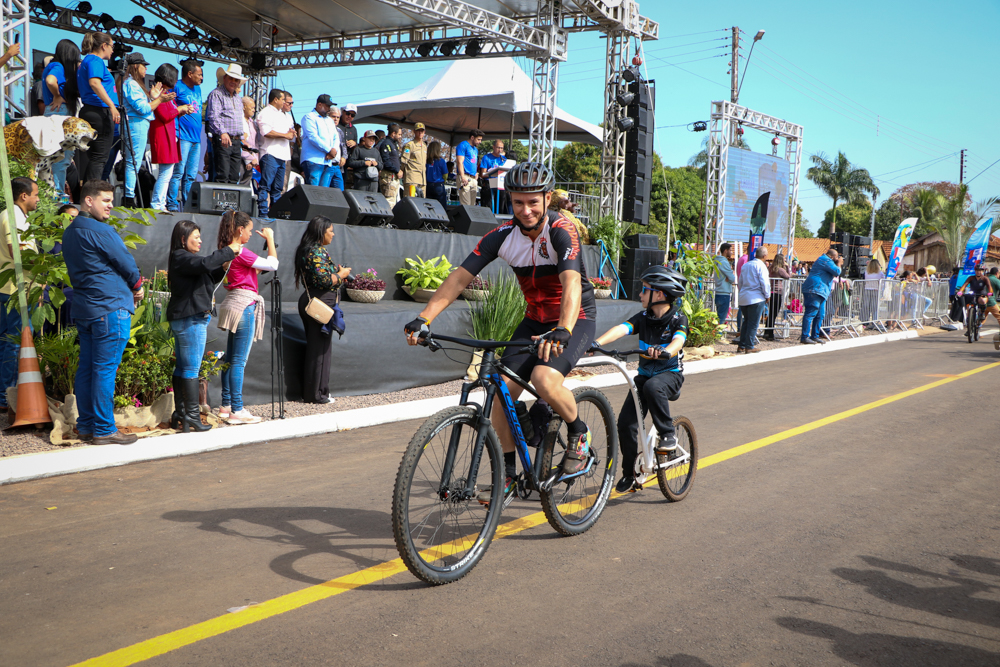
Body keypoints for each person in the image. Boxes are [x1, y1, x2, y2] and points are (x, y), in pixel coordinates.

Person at [404, 161, 598, 505]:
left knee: (544, 379)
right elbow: (459, 277)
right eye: (518, 202)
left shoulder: (561, 231)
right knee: (498, 392)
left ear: (547, 198)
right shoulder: (501, 236)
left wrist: (564, 329)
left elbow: (571, 285)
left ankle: (579, 433)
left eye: (533, 202)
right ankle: (509, 477)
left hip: (574, 319)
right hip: (535, 320)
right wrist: (424, 318)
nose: (525, 210)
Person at [593, 266, 689, 492]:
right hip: (645, 378)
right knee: (626, 424)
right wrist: (597, 344)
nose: (640, 294)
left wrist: (667, 351)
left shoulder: (678, 318)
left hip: (669, 377)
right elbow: (622, 329)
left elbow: (679, 341)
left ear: (659, 294)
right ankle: (629, 474)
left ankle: (668, 434)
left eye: (644, 290)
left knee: (654, 386)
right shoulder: (643, 318)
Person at [62, 181, 143, 446]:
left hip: (85, 309)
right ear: (88, 200)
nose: (110, 205)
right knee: (104, 370)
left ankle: (86, 426)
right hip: (110, 307)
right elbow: (126, 263)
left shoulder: (71, 232)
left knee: (87, 368)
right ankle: (105, 429)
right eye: (105, 200)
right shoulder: (100, 229)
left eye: (111, 200)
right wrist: (137, 286)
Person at [166, 220, 241, 432]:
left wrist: (224, 266)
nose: (200, 241)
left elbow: (206, 273)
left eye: (200, 237)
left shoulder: (185, 260)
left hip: (188, 317)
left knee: (183, 367)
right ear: (183, 239)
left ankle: (181, 413)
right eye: (195, 237)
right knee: (191, 368)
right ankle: (191, 417)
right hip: (191, 318)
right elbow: (205, 264)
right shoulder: (181, 256)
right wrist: (228, 251)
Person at [215, 211, 278, 424]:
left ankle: (225, 406)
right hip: (244, 306)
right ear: (240, 230)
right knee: (238, 362)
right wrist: (270, 239)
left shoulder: (226, 252)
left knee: (230, 360)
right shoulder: (241, 251)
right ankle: (237, 409)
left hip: (233, 303)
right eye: (250, 230)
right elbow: (273, 265)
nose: (251, 234)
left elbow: (250, 272)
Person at [294, 217, 350, 404]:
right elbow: (325, 280)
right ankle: (317, 394)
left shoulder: (310, 250)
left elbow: (324, 274)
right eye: (330, 231)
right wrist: (341, 275)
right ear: (321, 231)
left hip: (315, 302)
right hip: (320, 304)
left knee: (317, 349)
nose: (333, 234)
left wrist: (338, 272)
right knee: (320, 351)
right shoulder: (316, 252)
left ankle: (315, 392)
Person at [0, 178, 39, 413]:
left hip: (12, 288)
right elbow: (19, 252)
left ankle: (5, 393)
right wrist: (48, 265)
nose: (38, 199)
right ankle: (8, 395)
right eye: (35, 194)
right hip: (18, 290)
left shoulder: (13, 215)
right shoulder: (13, 216)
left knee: (8, 341)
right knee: (16, 342)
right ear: (23, 195)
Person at [120, 53, 169, 208]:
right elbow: (142, 108)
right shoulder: (132, 84)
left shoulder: (134, 84)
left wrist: (153, 97)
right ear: (136, 66)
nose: (146, 68)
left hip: (139, 123)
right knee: (132, 161)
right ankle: (129, 198)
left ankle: (129, 196)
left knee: (133, 161)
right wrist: (159, 100)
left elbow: (144, 106)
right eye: (144, 65)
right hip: (136, 123)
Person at [77, 32, 119, 182]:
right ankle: (92, 195)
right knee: (100, 157)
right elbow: (94, 83)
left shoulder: (86, 61)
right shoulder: (95, 60)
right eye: (112, 46)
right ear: (104, 46)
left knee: (96, 157)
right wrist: (111, 106)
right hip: (99, 111)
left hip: (91, 110)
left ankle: (89, 192)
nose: (112, 51)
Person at [148, 64, 190, 212]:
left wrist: (180, 110)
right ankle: (157, 204)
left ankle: (161, 203)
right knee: (165, 174)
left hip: (169, 135)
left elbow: (169, 113)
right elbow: (165, 115)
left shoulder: (164, 94)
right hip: (162, 135)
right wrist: (179, 109)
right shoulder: (158, 94)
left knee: (167, 173)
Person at [42, 39, 81, 197]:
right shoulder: (57, 66)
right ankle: (57, 194)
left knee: (57, 157)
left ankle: (55, 193)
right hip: (60, 113)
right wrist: (57, 95)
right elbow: (51, 80)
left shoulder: (51, 65)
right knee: (62, 158)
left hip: (54, 113)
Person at [167, 58, 205, 212]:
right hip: (182, 136)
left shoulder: (198, 89)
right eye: (199, 74)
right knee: (178, 172)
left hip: (196, 138)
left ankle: (188, 207)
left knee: (190, 176)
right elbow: (167, 106)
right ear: (190, 74)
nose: (202, 78)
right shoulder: (177, 86)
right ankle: (172, 205)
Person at [255, 89, 295, 218]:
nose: (284, 102)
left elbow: (285, 133)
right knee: (265, 185)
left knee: (278, 188)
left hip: (282, 155)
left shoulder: (282, 115)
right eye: (283, 99)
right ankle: (263, 212)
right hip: (270, 153)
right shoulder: (265, 113)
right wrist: (285, 135)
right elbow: (266, 132)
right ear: (276, 99)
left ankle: (276, 212)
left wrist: (289, 133)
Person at [205, 63, 246, 184]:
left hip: (236, 140)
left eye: (236, 80)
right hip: (223, 139)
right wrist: (222, 132)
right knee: (222, 175)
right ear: (224, 78)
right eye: (231, 78)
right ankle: (220, 203)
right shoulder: (216, 94)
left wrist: (241, 138)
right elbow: (213, 116)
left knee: (234, 177)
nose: (233, 82)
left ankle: (231, 202)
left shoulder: (238, 98)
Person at [800, 248, 842, 344]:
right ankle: (804, 337)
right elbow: (837, 272)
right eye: (836, 257)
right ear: (832, 256)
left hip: (820, 291)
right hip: (814, 289)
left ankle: (815, 336)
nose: (838, 258)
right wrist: (839, 263)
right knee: (811, 312)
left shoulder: (824, 260)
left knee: (820, 314)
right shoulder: (826, 260)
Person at [300, 94, 340, 188]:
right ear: (319, 105)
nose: (329, 109)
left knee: (324, 192)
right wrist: (329, 150)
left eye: (330, 106)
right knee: (313, 191)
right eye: (327, 106)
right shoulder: (309, 117)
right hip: (313, 159)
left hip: (327, 161)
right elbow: (313, 137)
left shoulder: (329, 120)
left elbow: (336, 137)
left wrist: (334, 150)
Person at [737, 246, 770, 353]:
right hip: (756, 297)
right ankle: (749, 346)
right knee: (753, 323)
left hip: (744, 296)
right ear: (764, 256)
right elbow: (764, 282)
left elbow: (740, 281)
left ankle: (741, 345)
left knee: (746, 321)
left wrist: (741, 292)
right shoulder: (761, 266)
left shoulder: (746, 265)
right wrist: (767, 295)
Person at [763, 252, 790, 341]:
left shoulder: (771, 268)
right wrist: (787, 267)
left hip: (770, 292)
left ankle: (767, 332)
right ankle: (770, 334)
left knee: (771, 313)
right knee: (774, 314)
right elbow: (788, 276)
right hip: (777, 293)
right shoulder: (780, 270)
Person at [455, 129, 484, 206]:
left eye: (481, 140)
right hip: (465, 177)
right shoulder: (463, 145)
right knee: (466, 205)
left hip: (473, 178)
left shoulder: (475, 149)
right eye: (478, 139)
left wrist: (476, 173)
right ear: (472, 137)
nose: (480, 142)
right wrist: (462, 176)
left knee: (472, 206)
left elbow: (474, 162)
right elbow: (459, 162)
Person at [479, 140, 509, 213]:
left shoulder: (504, 159)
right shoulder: (486, 157)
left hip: (501, 185)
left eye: (502, 148)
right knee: (488, 206)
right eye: (498, 148)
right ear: (493, 147)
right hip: (489, 184)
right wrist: (492, 172)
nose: (500, 150)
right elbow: (483, 174)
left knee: (500, 206)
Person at [377, 123, 403, 207]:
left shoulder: (394, 144)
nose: (400, 136)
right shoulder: (385, 143)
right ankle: (387, 220)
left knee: (394, 202)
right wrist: (397, 170)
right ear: (393, 133)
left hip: (394, 177)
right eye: (399, 134)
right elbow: (386, 161)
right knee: (389, 202)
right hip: (388, 177)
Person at [400, 122, 427, 198]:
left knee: (422, 203)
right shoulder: (409, 145)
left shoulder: (425, 146)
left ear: (424, 132)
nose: (420, 132)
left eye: (422, 130)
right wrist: (401, 170)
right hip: (412, 178)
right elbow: (404, 160)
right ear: (414, 131)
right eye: (418, 130)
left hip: (422, 180)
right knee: (411, 202)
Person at [713, 243, 735, 330]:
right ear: (725, 251)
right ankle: (719, 335)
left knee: (719, 316)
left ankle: (717, 334)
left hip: (719, 291)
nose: (731, 252)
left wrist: (728, 277)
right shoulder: (724, 262)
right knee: (721, 318)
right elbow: (732, 278)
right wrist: (730, 277)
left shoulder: (717, 261)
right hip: (724, 292)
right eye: (730, 250)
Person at [239, 96, 259, 186]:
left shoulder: (252, 123)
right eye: (252, 108)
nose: (254, 110)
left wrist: (254, 158)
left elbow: (255, 144)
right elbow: (240, 141)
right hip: (240, 157)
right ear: (244, 106)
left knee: (246, 185)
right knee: (238, 182)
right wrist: (248, 158)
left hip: (251, 158)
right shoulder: (239, 121)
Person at [326, 105, 346, 190]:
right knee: (324, 190)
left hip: (337, 166)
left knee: (340, 192)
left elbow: (343, 146)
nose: (336, 119)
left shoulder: (339, 131)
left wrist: (344, 157)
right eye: (333, 116)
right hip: (327, 164)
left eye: (338, 117)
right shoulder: (324, 129)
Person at [425, 141, 448, 210]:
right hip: (438, 185)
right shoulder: (441, 161)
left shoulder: (426, 161)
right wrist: (443, 182)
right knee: (441, 208)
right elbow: (445, 175)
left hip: (428, 185)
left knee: (428, 206)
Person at [863, 258, 885, 327]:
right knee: (875, 307)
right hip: (876, 290)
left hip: (867, 289)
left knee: (866, 306)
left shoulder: (866, 272)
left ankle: (865, 320)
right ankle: (874, 321)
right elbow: (883, 282)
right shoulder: (880, 273)